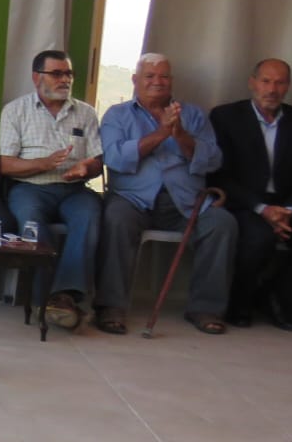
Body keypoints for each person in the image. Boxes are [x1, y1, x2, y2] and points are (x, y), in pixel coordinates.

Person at [97, 53, 236, 335]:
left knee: (222, 224)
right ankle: (111, 306)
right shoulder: (117, 115)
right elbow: (115, 158)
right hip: (132, 199)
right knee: (116, 218)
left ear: (171, 81)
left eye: (164, 76)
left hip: (186, 202)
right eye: (150, 76)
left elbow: (213, 160)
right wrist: (161, 133)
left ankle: (205, 308)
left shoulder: (193, 115)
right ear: (135, 80)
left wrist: (181, 135)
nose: (157, 82)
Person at [0, 49, 104, 330]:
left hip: (73, 189)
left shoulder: (85, 112)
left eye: (68, 73)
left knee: (90, 215)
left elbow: (97, 161)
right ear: (37, 77)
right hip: (30, 187)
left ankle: (63, 296)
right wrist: (43, 163)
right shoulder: (15, 111)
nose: (64, 79)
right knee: (31, 220)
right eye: (56, 73)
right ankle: (41, 297)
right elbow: (5, 165)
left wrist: (86, 168)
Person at [210, 58, 292, 330]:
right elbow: (220, 175)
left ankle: (282, 303)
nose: (272, 89)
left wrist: (290, 211)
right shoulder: (225, 117)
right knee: (258, 238)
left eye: (279, 83)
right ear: (252, 83)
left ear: (288, 86)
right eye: (266, 81)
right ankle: (240, 306)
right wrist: (262, 209)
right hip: (246, 203)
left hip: (290, 206)